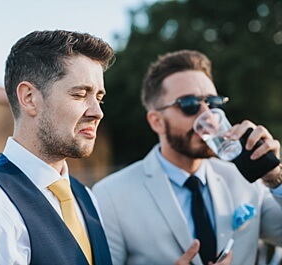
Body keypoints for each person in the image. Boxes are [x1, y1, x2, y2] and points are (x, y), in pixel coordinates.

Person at [0, 30, 114, 265]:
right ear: (29, 98)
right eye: (79, 94)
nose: (97, 112)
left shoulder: (85, 197)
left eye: (99, 97)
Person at [93, 50, 282, 265]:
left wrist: (275, 177)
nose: (208, 117)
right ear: (156, 121)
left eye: (213, 103)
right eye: (189, 105)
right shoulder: (111, 196)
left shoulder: (246, 179)